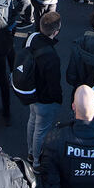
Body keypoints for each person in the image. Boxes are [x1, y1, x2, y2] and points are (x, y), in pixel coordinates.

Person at [24, 11, 63, 171]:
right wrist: (58, 99)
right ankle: (37, 162)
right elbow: (53, 84)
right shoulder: (51, 57)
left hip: (31, 93)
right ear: (55, 32)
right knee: (41, 130)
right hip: (45, 99)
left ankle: (31, 153)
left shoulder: (32, 38)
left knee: (32, 122)